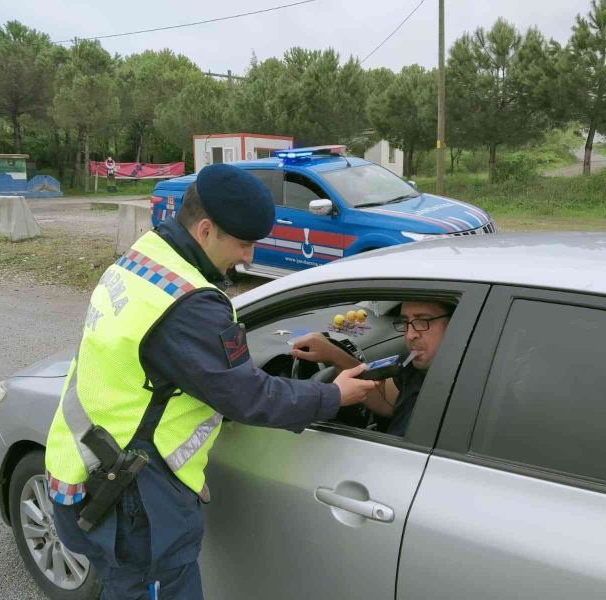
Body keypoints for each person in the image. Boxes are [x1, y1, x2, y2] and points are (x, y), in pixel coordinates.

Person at [44, 163, 375, 600]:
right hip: (136, 499)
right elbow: (248, 397)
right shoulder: (191, 305)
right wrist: (333, 394)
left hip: (81, 469)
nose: (249, 257)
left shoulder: (144, 258)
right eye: (243, 244)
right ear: (204, 230)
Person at [290, 300, 454, 436]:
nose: (410, 335)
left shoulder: (463, 389)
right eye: (405, 322)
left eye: (422, 321)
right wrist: (334, 355)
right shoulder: (417, 369)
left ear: (454, 324)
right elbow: (384, 399)